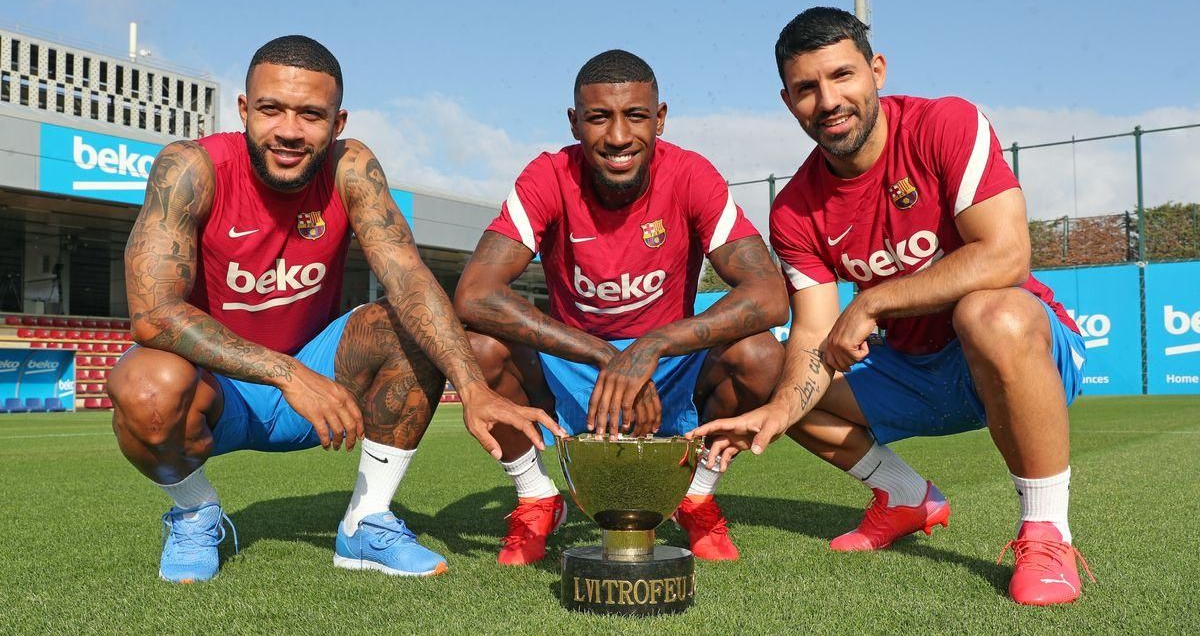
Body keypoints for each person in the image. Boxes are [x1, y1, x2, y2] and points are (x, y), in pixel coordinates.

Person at [109, 35, 559, 584]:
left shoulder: (352, 167)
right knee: (145, 386)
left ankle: (366, 522)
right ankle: (195, 514)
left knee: (406, 322)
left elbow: (410, 279)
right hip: (223, 386)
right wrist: (287, 373)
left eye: (311, 114)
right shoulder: (190, 167)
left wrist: (471, 386)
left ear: (338, 121)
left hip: (323, 377)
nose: (290, 130)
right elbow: (153, 313)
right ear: (244, 111)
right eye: (271, 109)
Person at [691, 8, 1093, 606]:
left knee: (989, 313)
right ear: (788, 101)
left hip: (1015, 349)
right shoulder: (795, 208)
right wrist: (776, 412)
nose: (829, 100)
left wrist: (875, 301)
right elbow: (812, 335)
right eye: (807, 88)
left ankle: (1046, 534)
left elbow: (1006, 254)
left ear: (876, 71)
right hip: (913, 372)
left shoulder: (944, 124)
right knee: (771, 371)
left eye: (842, 75)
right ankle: (907, 497)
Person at [454, 50, 788, 566]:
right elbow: (475, 294)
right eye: (597, 118)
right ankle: (536, 498)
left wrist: (652, 345)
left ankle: (695, 496)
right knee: (477, 347)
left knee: (761, 355)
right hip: (576, 366)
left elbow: (769, 294)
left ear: (659, 119)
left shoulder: (691, 175)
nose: (616, 136)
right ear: (573, 122)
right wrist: (603, 354)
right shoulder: (548, 176)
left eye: (634, 116)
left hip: (669, 368)